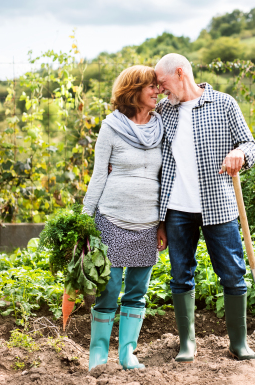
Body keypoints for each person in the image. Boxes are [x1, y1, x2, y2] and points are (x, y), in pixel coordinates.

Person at [154, 53, 255, 362]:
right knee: (180, 275)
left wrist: (240, 152)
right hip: (176, 210)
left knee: (233, 274)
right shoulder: (163, 111)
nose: (161, 90)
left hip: (219, 207)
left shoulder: (224, 104)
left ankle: (238, 344)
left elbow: (251, 144)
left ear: (180, 73)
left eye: (163, 83)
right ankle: (187, 344)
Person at [83, 65, 167, 371]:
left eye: (158, 87)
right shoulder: (111, 127)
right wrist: (85, 220)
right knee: (109, 287)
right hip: (112, 218)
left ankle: (128, 353)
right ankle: (98, 353)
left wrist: (163, 222)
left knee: (137, 291)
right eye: (151, 87)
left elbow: (167, 175)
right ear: (134, 91)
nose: (157, 91)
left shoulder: (161, 125)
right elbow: (97, 176)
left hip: (147, 222)